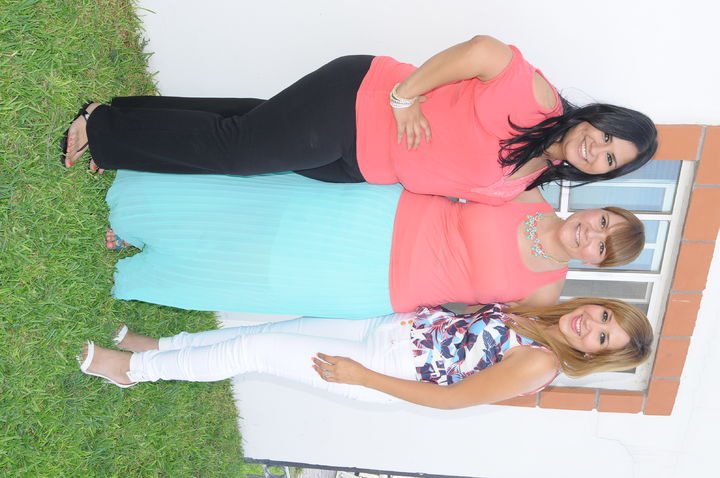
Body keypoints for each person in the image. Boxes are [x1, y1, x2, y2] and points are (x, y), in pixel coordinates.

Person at [61, 36, 658, 204]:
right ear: (596, 117)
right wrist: (406, 97)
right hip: (359, 104)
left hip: (354, 163)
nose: (596, 147)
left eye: (609, 158)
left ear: (602, 173)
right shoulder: (539, 102)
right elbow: (484, 50)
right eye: (606, 134)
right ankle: (103, 131)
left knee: (245, 127)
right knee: (238, 152)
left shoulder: (530, 180)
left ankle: (122, 118)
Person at [104, 170, 644, 318]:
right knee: (266, 214)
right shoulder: (527, 190)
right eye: (603, 222)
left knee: (265, 272)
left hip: (377, 285)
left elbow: (479, 327)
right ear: (596, 208)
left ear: (596, 263)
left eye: (602, 247)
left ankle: (151, 268)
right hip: (377, 215)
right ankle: (139, 221)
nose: (591, 234)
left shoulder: (545, 294)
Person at [77, 298, 653, 408]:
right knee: (274, 330)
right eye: (605, 317)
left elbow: (451, 400)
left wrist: (363, 377)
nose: (593, 326)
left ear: (595, 357)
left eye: (602, 339)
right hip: (387, 325)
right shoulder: (542, 318)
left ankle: (132, 370)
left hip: (387, 367)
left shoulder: (542, 362)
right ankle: (160, 348)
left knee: (256, 349)